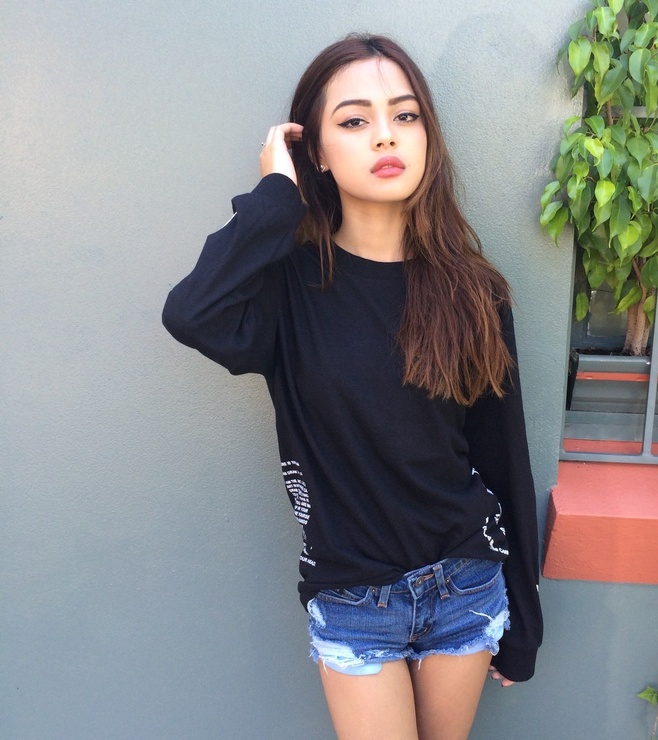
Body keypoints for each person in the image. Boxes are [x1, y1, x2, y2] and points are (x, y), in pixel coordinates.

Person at [163, 33, 542, 740]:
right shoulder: (286, 290)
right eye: (354, 120)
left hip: (465, 580)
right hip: (352, 597)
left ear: (427, 136)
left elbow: (503, 455)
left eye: (405, 115)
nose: (384, 136)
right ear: (316, 150)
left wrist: (525, 615)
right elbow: (192, 313)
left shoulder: (473, 291)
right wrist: (276, 198)